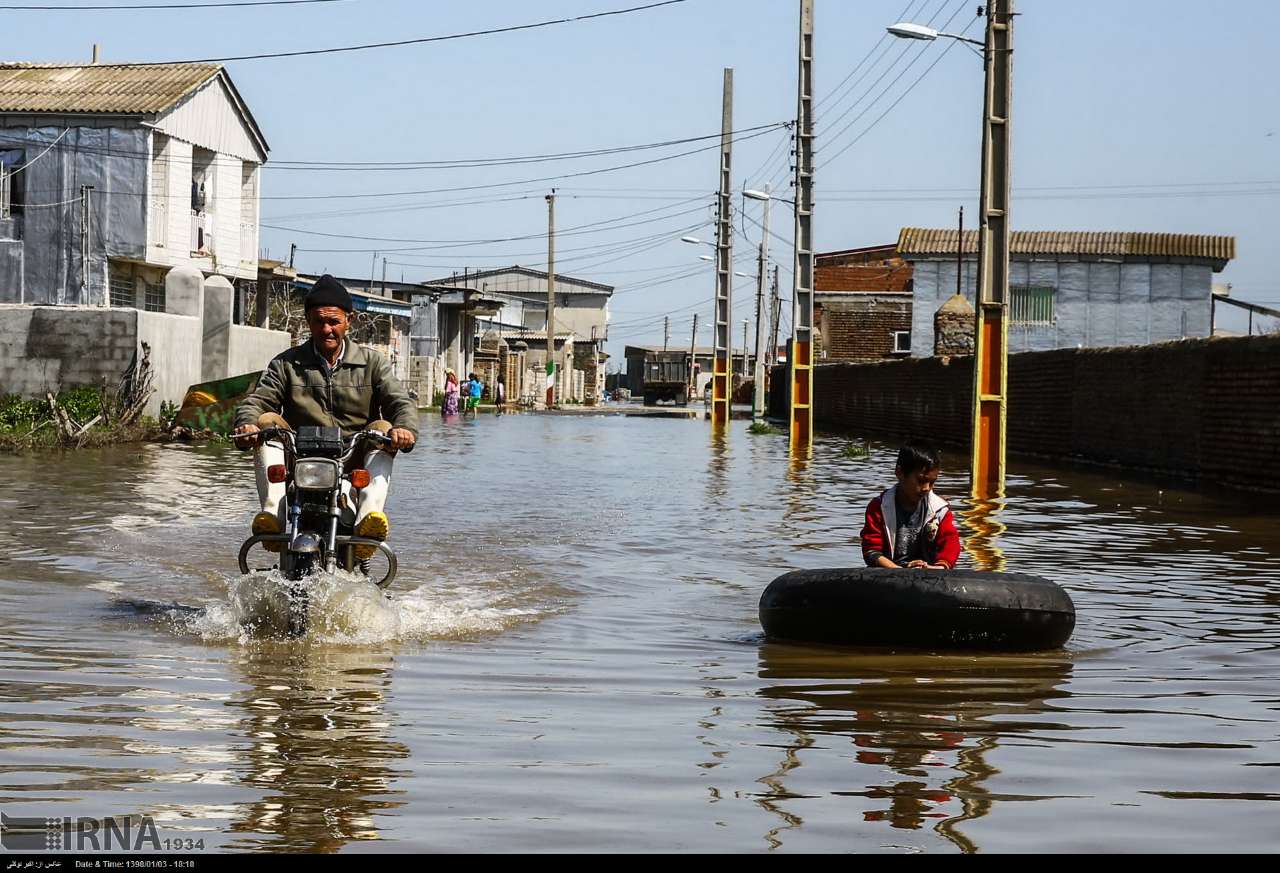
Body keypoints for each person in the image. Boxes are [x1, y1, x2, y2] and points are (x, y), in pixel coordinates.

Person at [232, 274, 418, 558]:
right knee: (267, 421)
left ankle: (368, 520)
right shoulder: (286, 364)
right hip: (301, 459)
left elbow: (399, 401)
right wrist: (247, 423)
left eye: (334, 321)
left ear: (348, 321)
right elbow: (258, 400)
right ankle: (273, 516)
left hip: (353, 462)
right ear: (308, 321)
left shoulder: (372, 363)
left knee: (383, 426)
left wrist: (403, 428)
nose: (327, 329)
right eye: (319, 321)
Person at [860, 442, 961, 570]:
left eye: (932, 482)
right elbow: (871, 551)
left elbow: (951, 544)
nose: (926, 488)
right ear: (899, 473)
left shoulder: (939, 510)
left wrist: (938, 568)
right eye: (921, 481)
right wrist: (900, 571)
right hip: (890, 574)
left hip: (929, 573)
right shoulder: (879, 507)